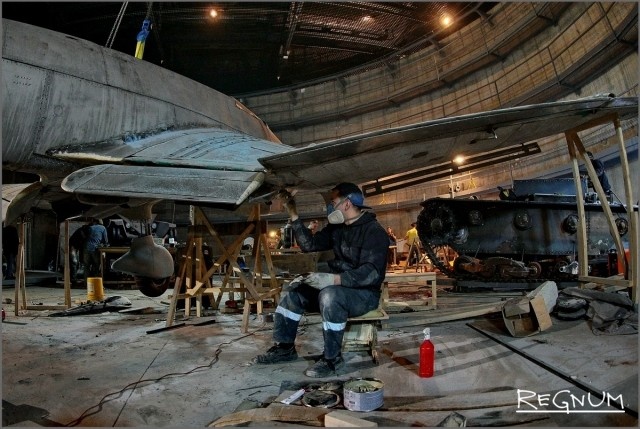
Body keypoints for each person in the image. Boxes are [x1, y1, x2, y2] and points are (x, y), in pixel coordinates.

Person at [253, 182, 389, 378]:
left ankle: (332, 359)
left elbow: (372, 273)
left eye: (332, 201)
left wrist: (333, 279)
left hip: (364, 294)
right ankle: (285, 348)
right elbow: (309, 245)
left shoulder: (373, 231)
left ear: (347, 203)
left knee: (330, 296)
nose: (330, 206)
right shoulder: (337, 228)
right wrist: (293, 213)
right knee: (294, 291)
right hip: (338, 288)